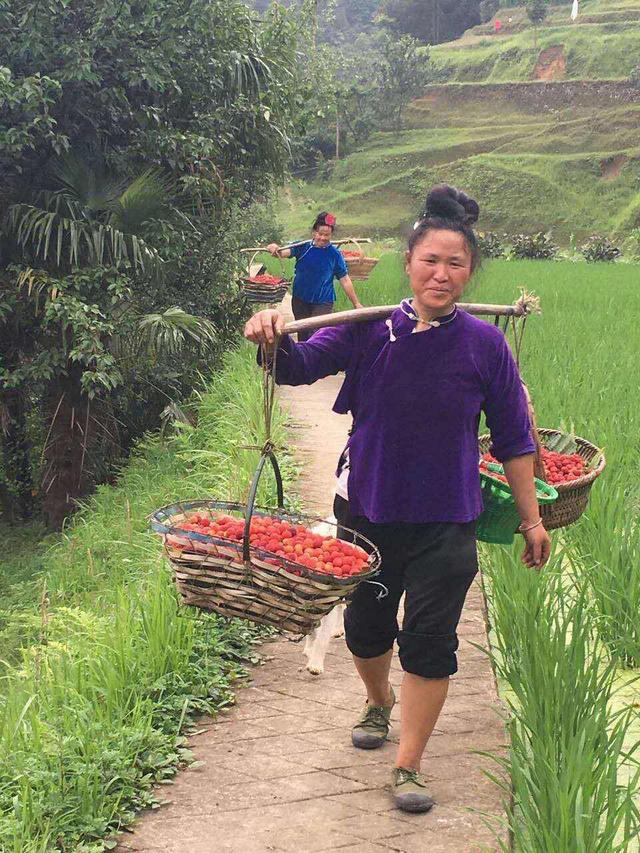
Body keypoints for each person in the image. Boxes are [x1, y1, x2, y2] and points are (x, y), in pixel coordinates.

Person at [245, 185, 551, 814]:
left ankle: (410, 764)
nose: (441, 273)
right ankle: (378, 700)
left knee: (432, 640)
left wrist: (532, 518)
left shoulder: (485, 345)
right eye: (430, 261)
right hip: (370, 509)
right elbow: (297, 368)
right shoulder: (368, 330)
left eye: (456, 263)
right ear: (409, 264)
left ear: (470, 273)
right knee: (366, 629)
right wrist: (270, 336)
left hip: (449, 517)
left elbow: (516, 440)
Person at [266, 211, 362, 342]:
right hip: (301, 298)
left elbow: (344, 279)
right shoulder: (303, 247)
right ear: (314, 232)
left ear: (331, 235)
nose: (323, 238)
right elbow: (282, 253)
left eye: (327, 235)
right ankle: (302, 361)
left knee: (317, 335)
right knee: (302, 333)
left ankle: (317, 361)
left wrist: (356, 303)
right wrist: (275, 249)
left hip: (323, 301)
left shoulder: (334, 254)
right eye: (320, 234)